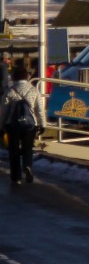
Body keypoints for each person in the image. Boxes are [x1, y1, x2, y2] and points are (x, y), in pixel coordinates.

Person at [4, 58, 47, 187]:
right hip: (29, 124)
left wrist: (1, 125)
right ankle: (27, 166)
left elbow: (3, 111)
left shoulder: (10, 91)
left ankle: (16, 177)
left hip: (13, 125)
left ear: (15, 77)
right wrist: (42, 124)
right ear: (27, 77)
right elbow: (40, 109)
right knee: (28, 148)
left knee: (14, 151)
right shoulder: (34, 90)